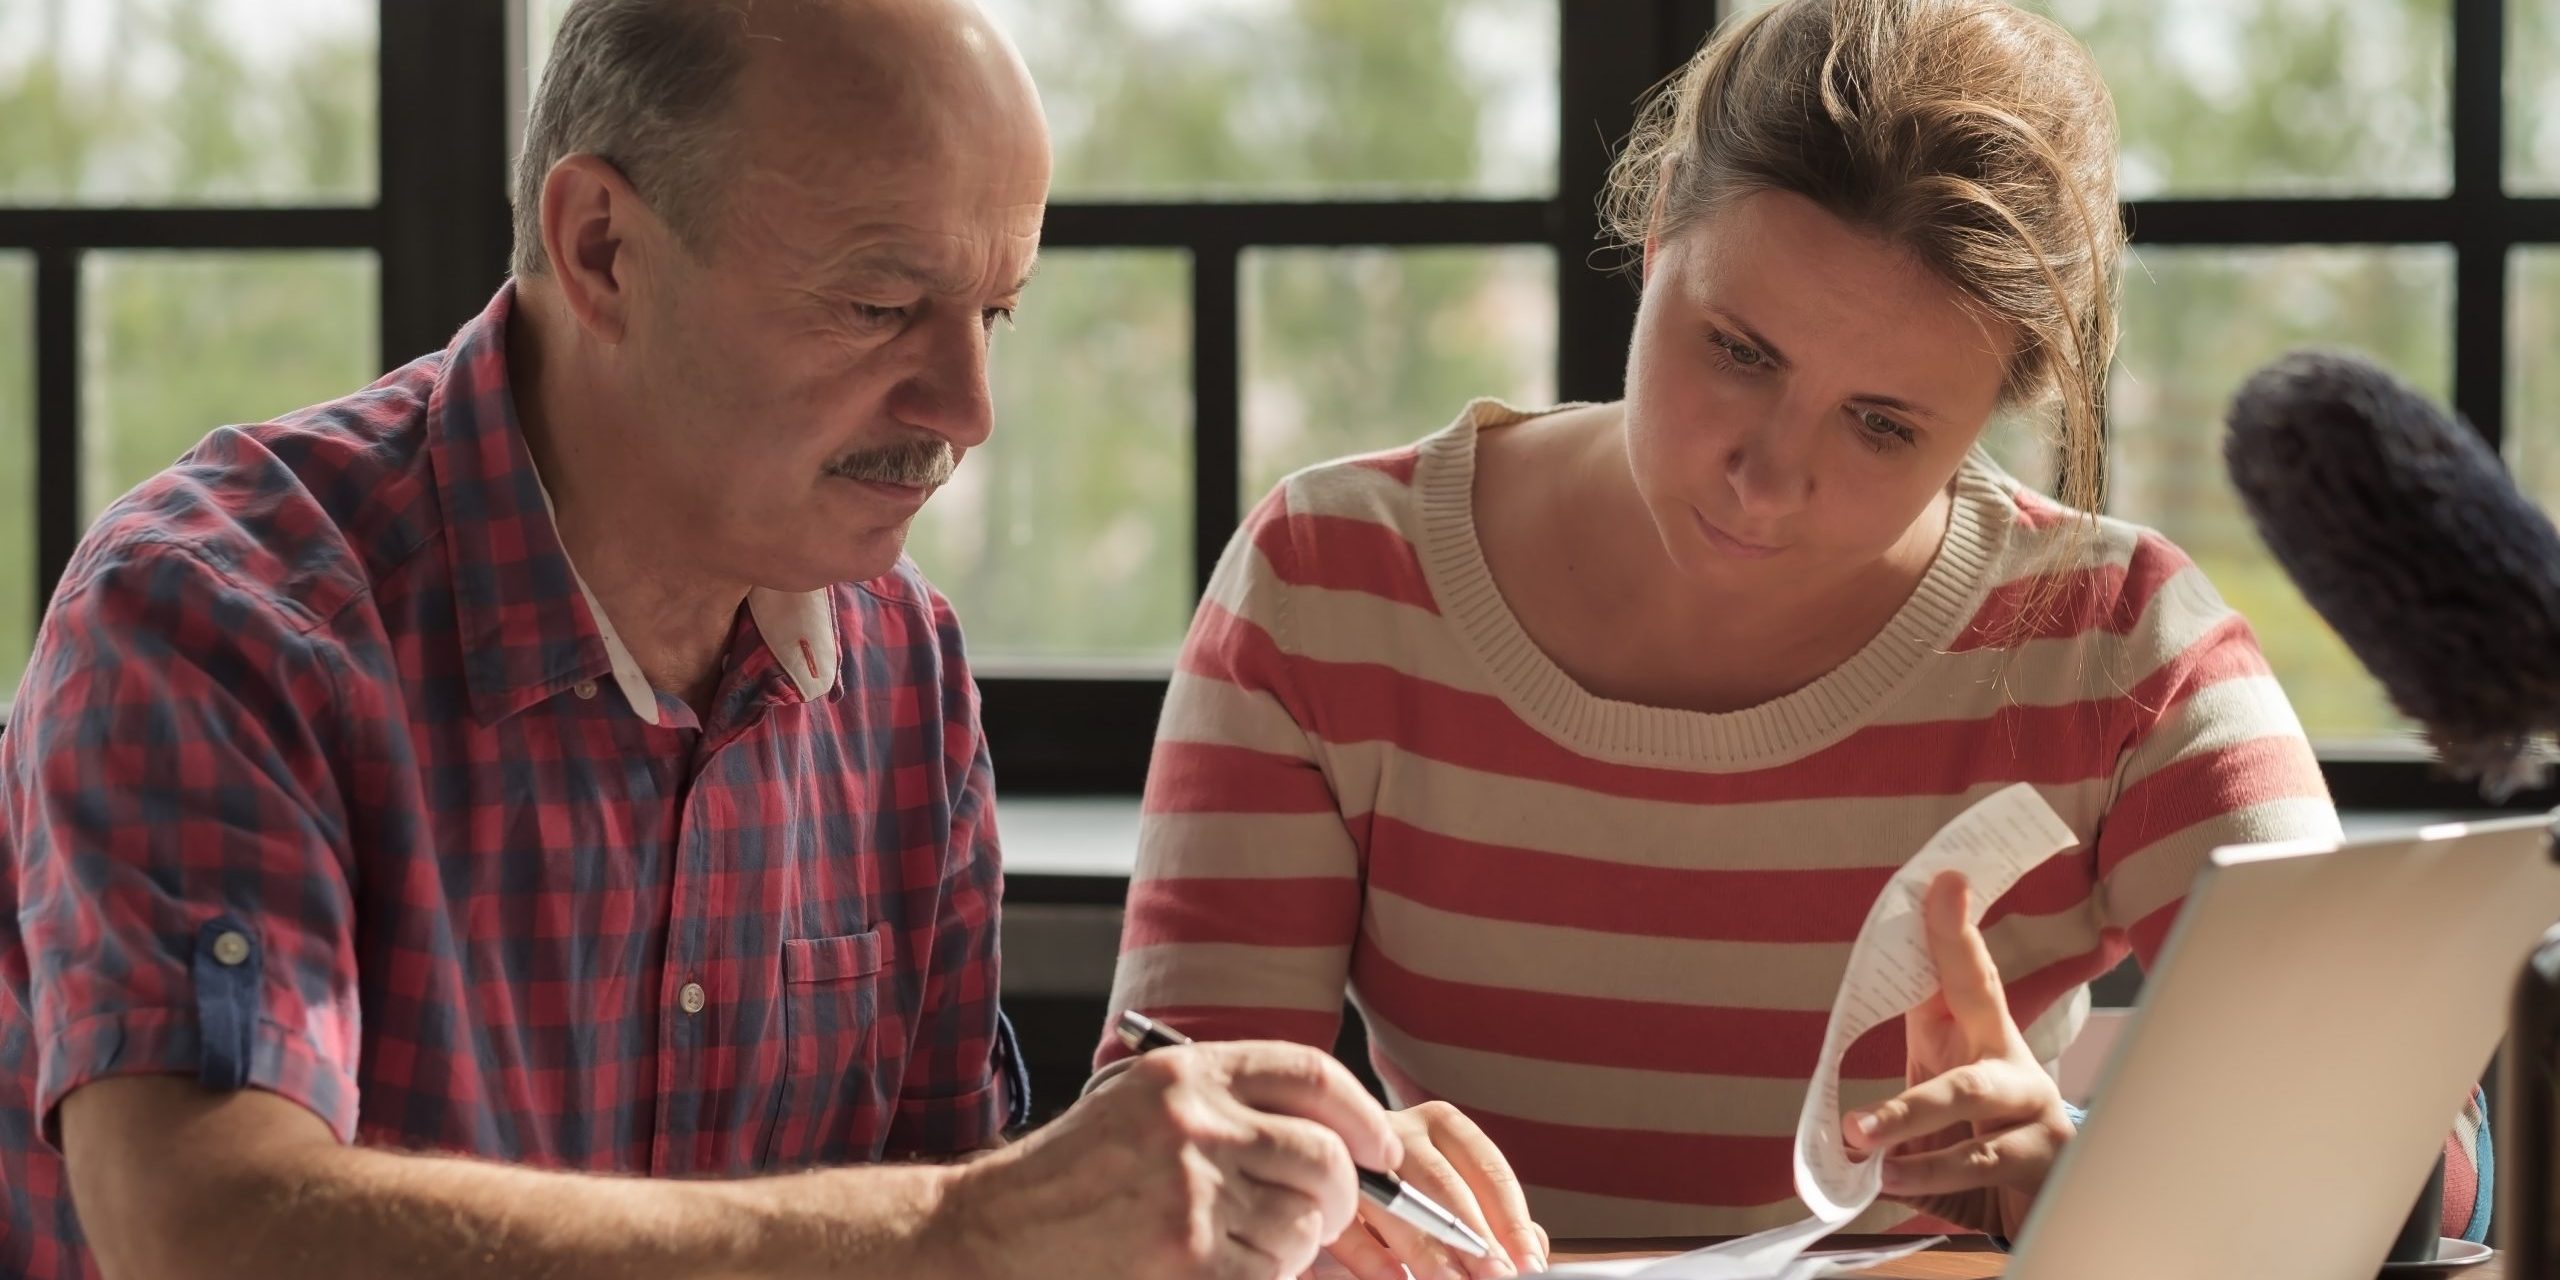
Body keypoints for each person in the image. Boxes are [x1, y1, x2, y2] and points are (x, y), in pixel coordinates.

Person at [0, 2, 1416, 1278]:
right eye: (879, 307)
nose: (969, 406)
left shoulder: (904, 671)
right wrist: (974, 1230)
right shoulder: (216, 617)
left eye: (994, 313)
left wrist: (1221, 1220)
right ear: (603, 249)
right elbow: (209, 1232)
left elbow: (947, 1225)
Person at [1096, 0, 2492, 1258]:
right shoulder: (1334, 579)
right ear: (1652, 244)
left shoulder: (2112, 646)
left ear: (1991, 414)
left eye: (1884, 426)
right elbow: (1155, 1155)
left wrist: (2094, 1176)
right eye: (1736, 351)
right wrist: (1281, 1205)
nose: (1767, 476)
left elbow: (2430, 1169)